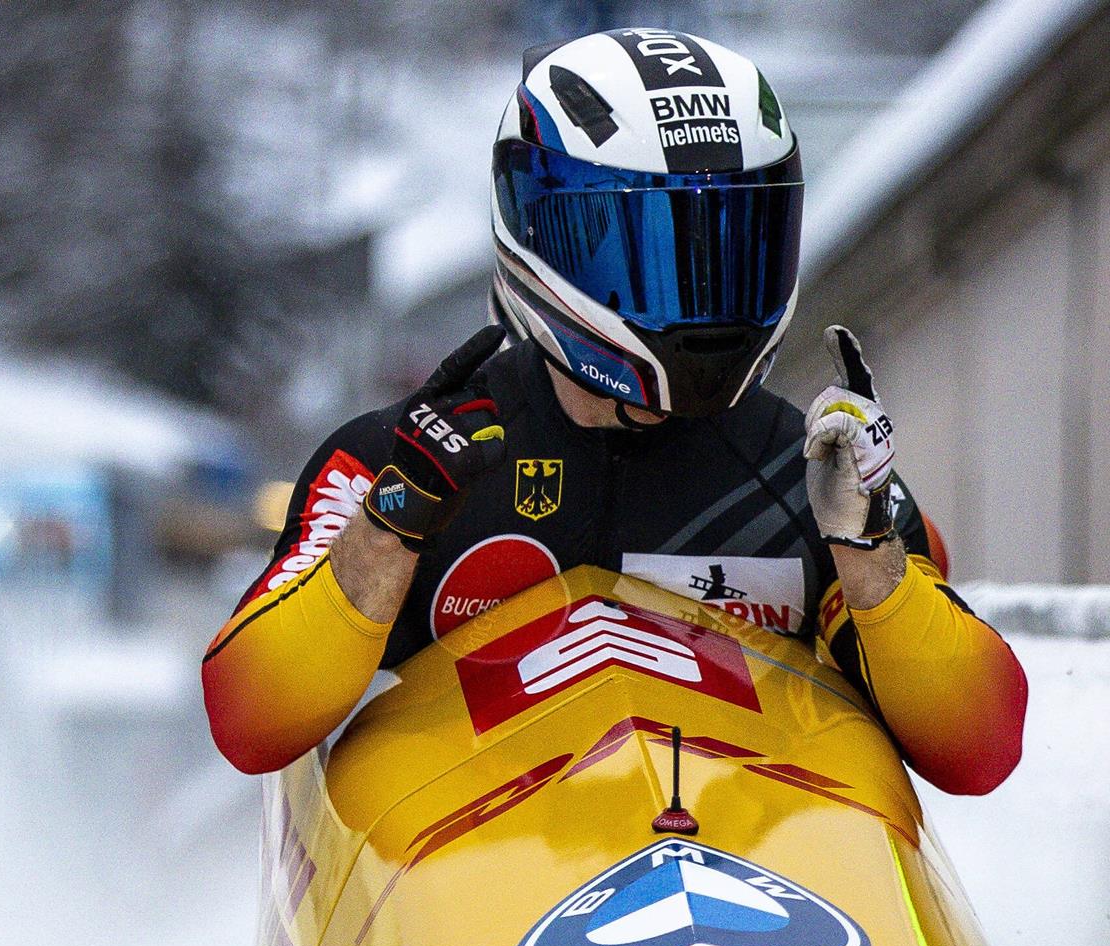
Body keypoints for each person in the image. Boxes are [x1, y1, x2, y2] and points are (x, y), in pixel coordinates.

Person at [202, 27, 1025, 794]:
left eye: (730, 245)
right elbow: (252, 720)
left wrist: (868, 549)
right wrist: (392, 527)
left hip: (744, 893)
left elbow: (978, 747)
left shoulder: (806, 477)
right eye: (652, 252)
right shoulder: (406, 462)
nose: (701, 293)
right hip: (465, 903)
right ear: (538, 232)